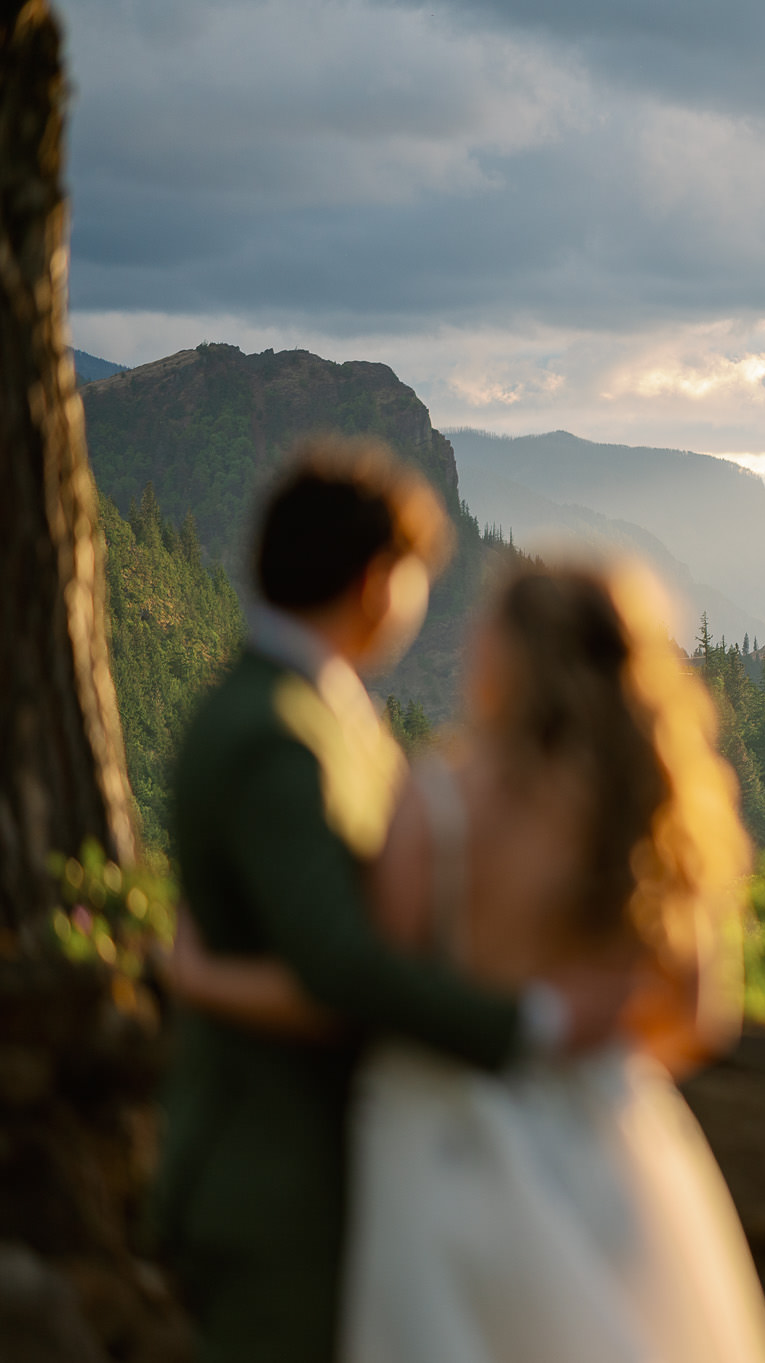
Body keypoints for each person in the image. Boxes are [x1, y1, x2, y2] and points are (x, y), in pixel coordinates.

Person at [167, 550, 765, 1362]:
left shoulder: (439, 802)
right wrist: (577, 1065)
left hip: (440, 1143)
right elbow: (701, 1017)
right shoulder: (654, 810)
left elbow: (366, 990)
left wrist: (202, 976)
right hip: (608, 1141)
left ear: (507, 659)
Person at [155, 441, 634, 1363]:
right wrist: (529, 1020)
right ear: (379, 580)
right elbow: (338, 961)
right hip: (275, 1181)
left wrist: (204, 977)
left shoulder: (318, 709)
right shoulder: (272, 734)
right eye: (417, 577)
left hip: (353, 1170)